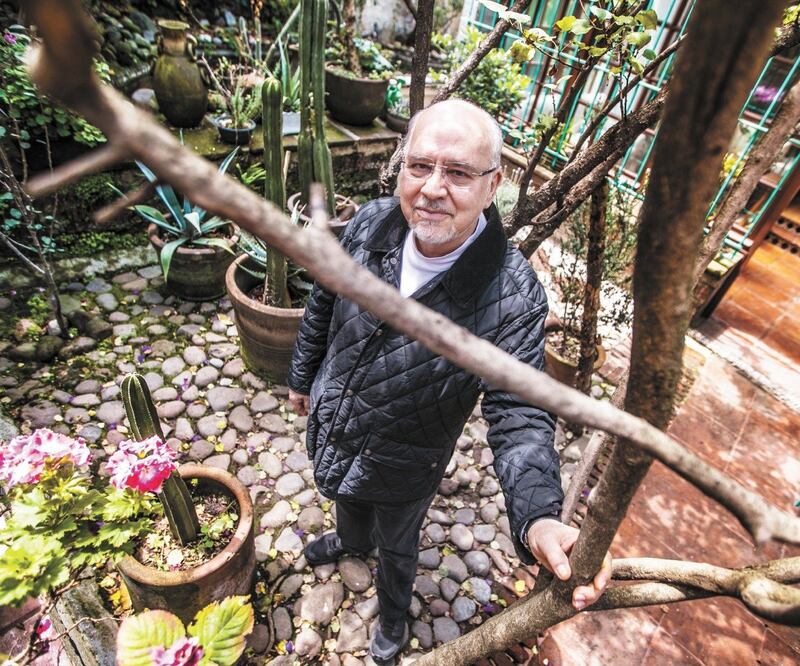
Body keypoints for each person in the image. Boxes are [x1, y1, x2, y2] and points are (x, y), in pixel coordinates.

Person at [287, 99, 610, 663]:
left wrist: (537, 514)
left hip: (406, 459)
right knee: (341, 491)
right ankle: (349, 540)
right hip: (334, 417)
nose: (433, 188)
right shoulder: (369, 223)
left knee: (398, 544)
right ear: (402, 167)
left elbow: (521, 414)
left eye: (458, 173)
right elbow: (322, 301)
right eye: (420, 166)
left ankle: (392, 618)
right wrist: (301, 376)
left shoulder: (510, 296)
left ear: (493, 186)